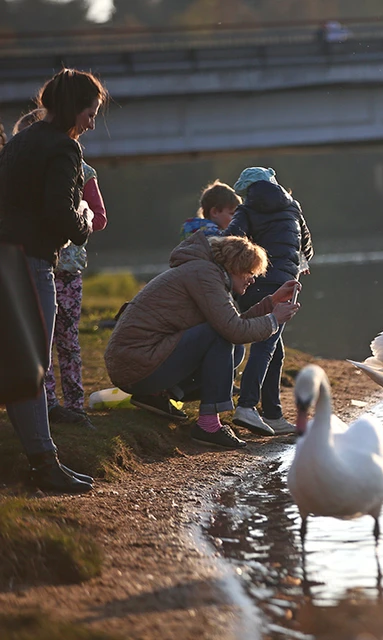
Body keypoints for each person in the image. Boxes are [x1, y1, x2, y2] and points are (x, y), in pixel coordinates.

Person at [0, 68, 107, 493]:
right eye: (91, 112)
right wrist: (82, 219)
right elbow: (60, 213)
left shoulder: (21, 141)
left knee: (17, 363)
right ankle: (45, 465)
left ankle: (43, 460)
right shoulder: (64, 148)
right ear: (73, 109)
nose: (92, 123)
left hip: (7, 256)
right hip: (30, 264)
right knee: (31, 368)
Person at [104, 233, 301, 449]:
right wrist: (274, 320)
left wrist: (271, 303)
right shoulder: (204, 274)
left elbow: (232, 323)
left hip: (136, 364)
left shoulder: (205, 272)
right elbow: (232, 330)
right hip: (136, 366)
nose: (253, 279)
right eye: (250, 272)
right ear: (235, 266)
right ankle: (208, 426)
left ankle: (156, 395)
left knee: (233, 349)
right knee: (220, 337)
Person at [13, 108, 108, 431]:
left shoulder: (82, 170)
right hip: (37, 263)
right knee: (40, 342)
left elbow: (100, 216)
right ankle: (48, 405)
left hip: (68, 268)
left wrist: (80, 216)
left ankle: (75, 404)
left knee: (67, 340)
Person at [225, 167, 313, 437]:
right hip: (283, 284)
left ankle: (272, 413)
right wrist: (301, 263)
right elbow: (307, 245)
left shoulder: (246, 209)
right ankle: (247, 406)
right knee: (266, 345)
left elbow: (230, 240)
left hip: (252, 282)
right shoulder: (292, 207)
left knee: (274, 349)